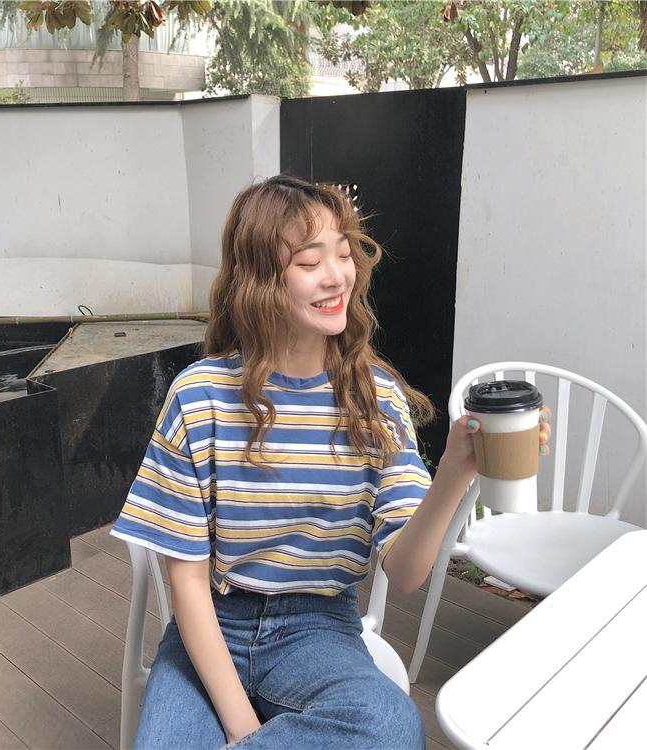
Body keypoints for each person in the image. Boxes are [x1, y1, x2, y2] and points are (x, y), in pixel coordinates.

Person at [110, 174, 552, 750]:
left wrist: (454, 473)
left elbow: (406, 574)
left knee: (390, 727)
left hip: (319, 630)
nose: (337, 275)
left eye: (343, 254)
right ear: (258, 279)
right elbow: (187, 582)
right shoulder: (199, 397)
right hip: (211, 628)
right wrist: (243, 727)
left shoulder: (376, 400)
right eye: (309, 261)